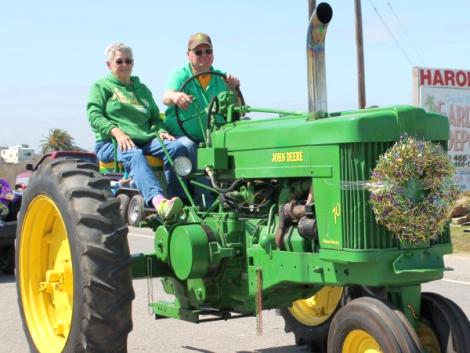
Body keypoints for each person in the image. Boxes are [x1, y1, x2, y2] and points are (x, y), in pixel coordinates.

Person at [87, 42, 188, 220]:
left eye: (128, 61)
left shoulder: (142, 90)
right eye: (119, 61)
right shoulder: (101, 87)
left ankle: (177, 201)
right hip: (111, 142)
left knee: (177, 148)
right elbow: (94, 116)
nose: (124, 65)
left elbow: (155, 118)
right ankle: (159, 202)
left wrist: (160, 129)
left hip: (145, 139)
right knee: (134, 154)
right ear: (109, 65)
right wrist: (116, 132)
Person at [163, 33, 240, 206]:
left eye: (208, 50)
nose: (204, 55)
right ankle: (203, 200)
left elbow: (239, 109)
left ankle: (240, 195)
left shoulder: (222, 78)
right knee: (190, 146)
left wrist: (234, 89)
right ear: (188, 54)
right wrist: (176, 96)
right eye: (198, 52)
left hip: (214, 137)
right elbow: (166, 97)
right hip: (185, 135)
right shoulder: (181, 75)